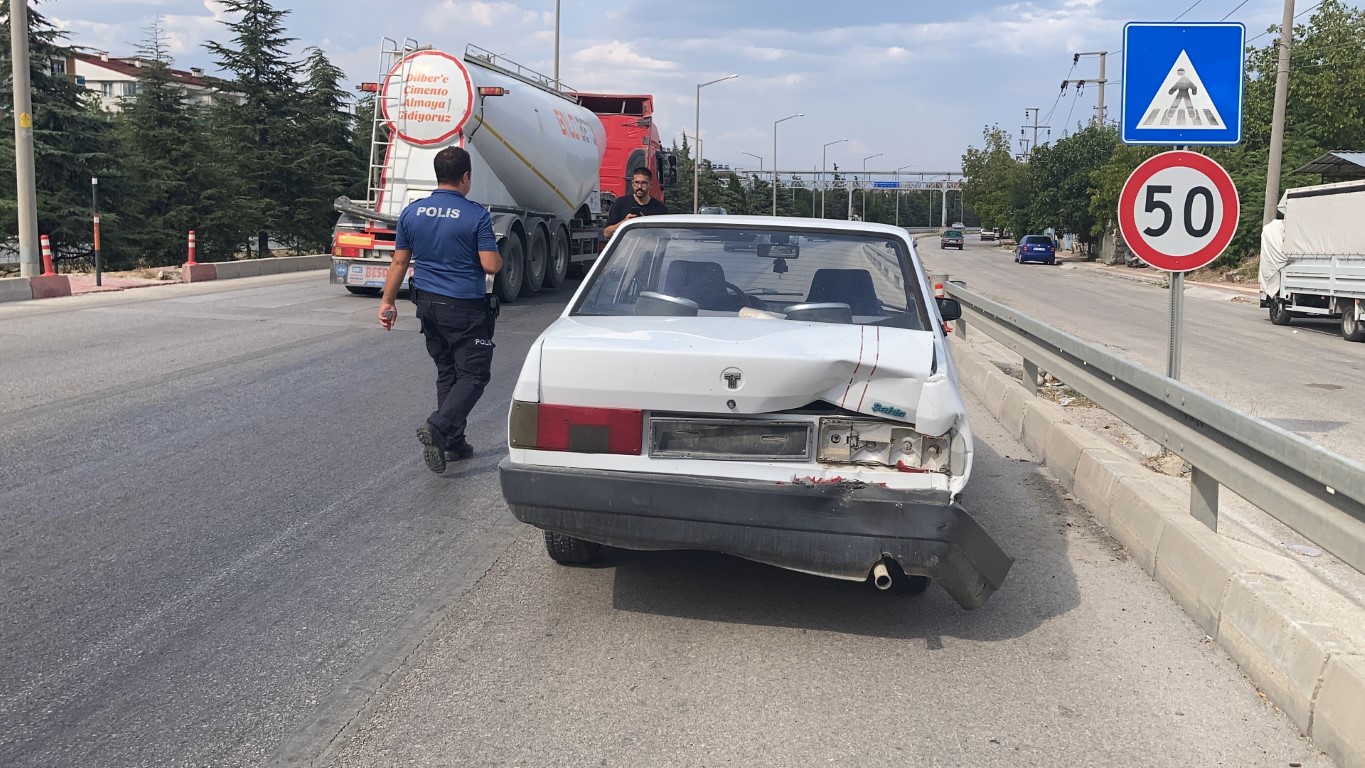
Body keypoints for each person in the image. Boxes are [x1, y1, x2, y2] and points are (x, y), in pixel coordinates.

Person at [378, 146, 502, 475]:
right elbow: (491, 265)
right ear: (466, 177)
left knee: (447, 371)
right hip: (464, 308)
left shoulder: (412, 213)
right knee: (474, 374)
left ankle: (453, 441)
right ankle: (439, 426)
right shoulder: (476, 215)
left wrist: (388, 303)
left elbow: (400, 261)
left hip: (427, 305)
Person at [602, 167, 668, 239]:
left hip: (650, 249)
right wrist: (625, 223)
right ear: (633, 184)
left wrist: (647, 225)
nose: (639, 186)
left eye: (644, 183)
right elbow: (606, 234)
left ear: (650, 185)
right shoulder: (620, 203)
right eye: (637, 182)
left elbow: (665, 236)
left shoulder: (659, 208)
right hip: (626, 249)